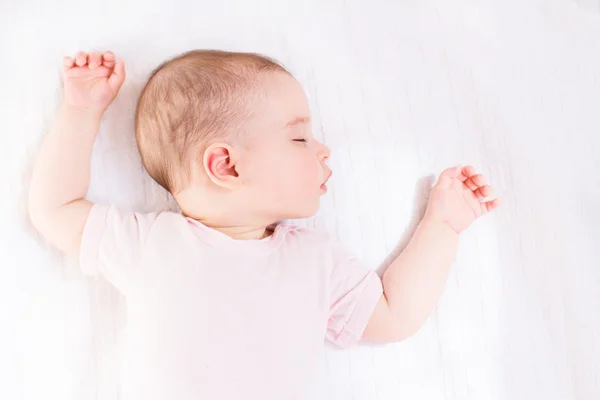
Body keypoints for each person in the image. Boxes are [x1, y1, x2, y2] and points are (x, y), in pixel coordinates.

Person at [28, 50, 501, 399]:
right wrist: (80, 113)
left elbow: (393, 315)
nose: (323, 150)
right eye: (299, 137)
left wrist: (443, 224)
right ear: (227, 165)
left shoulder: (316, 259)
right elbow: (56, 207)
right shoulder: (150, 244)